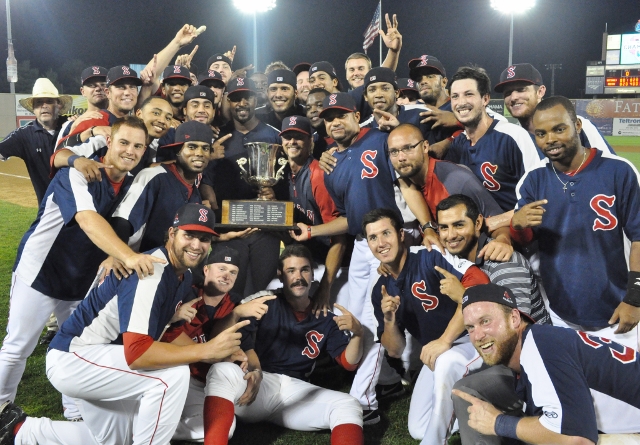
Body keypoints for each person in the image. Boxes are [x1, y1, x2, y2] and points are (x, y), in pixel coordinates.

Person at [0, 204, 250, 445]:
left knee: (115, 439)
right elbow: (138, 353)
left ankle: (19, 430)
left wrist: (207, 348)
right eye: (189, 235)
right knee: (171, 376)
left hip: (103, 359)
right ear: (172, 233)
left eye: (204, 239)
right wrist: (205, 350)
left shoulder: (181, 278)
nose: (196, 245)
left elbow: (158, 338)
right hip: (75, 357)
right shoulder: (152, 270)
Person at [0, 116, 163, 412]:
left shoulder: (130, 185)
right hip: (41, 271)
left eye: (138, 146)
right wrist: (128, 256)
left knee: (75, 348)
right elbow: (87, 220)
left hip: (81, 278)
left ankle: (74, 412)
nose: (130, 151)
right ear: (109, 142)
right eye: (124, 142)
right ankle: (1, 408)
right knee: (17, 347)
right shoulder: (77, 172)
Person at [293, 92, 402, 424]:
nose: (335, 121)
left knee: (373, 319)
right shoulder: (331, 164)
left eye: (341, 114)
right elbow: (346, 218)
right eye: (329, 117)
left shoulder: (382, 138)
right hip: (359, 242)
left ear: (357, 115)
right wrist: (312, 232)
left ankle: (364, 402)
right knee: (351, 315)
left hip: (388, 240)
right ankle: (388, 380)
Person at [203, 244, 365, 445]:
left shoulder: (325, 318)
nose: (298, 277)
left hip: (294, 392)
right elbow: (235, 337)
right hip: (258, 386)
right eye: (291, 271)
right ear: (280, 275)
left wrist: (358, 334)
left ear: (312, 275)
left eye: (304, 270)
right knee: (222, 371)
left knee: (348, 404)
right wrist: (255, 369)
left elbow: (349, 362)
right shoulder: (265, 300)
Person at [511, 96, 640, 348]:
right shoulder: (532, 180)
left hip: (618, 312)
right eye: (541, 133)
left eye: (559, 129)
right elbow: (526, 243)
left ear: (577, 126)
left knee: (624, 386)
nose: (550, 139)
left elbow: (639, 237)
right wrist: (517, 225)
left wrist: (635, 298)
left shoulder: (618, 171)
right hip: (561, 314)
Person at [452, 283, 640, 445]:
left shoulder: (539, 348)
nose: (477, 336)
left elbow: (578, 440)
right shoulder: (539, 340)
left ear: (514, 319)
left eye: (485, 321)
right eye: (470, 327)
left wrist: (498, 423)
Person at [365, 208, 490, 443]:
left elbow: (480, 286)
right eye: (373, 237)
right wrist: (390, 320)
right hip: (441, 350)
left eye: (386, 233)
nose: (380, 243)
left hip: (476, 339)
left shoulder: (430, 255)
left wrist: (444, 341)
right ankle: (480, 413)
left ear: (401, 234)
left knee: (445, 361)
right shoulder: (379, 289)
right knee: (418, 428)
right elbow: (394, 350)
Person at [162, 246, 276, 442]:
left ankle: (155, 426)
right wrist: (218, 354)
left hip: (203, 384)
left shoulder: (237, 305)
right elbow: (168, 336)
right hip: (174, 375)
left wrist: (257, 371)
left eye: (233, 272)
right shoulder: (185, 292)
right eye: (221, 268)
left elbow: (248, 349)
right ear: (206, 270)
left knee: (225, 428)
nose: (226, 275)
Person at [200, 77, 283, 297]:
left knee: (259, 292)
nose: (242, 103)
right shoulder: (218, 136)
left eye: (247, 97)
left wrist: (274, 194)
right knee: (228, 294)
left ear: (256, 99)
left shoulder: (274, 135)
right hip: (228, 229)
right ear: (228, 101)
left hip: (266, 229)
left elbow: (286, 179)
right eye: (236, 98)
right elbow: (206, 179)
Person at [387, 123, 513, 258]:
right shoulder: (404, 183)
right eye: (394, 152)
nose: (401, 158)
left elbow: (497, 222)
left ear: (425, 146)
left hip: (478, 260)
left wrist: (503, 240)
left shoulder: (457, 181)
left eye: (408, 148)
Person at [272, 116, 348, 313]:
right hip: (305, 259)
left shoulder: (318, 174)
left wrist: (325, 288)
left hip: (332, 263)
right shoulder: (281, 175)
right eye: (288, 137)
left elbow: (339, 238)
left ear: (311, 142)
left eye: (299, 137)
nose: (292, 142)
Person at [436, 194, 550, 324]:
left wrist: (464, 297)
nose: (451, 235)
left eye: (459, 225)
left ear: (478, 223)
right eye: (444, 227)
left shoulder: (503, 262)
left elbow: (513, 325)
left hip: (530, 339)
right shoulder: (451, 259)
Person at [444, 66, 543, 212]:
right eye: (455, 96)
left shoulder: (513, 137)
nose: (461, 102)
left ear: (485, 99)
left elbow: (540, 198)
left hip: (516, 231)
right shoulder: (458, 144)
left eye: (469, 94)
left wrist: (497, 223)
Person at [111, 120, 212, 253]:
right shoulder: (153, 176)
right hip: (136, 262)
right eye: (192, 147)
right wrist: (117, 256)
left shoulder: (195, 193)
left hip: (164, 266)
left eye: (205, 148)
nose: (199, 153)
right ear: (178, 150)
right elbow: (122, 221)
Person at [494, 63, 614, 153]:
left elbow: (612, 171)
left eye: (521, 90)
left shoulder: (578, 126)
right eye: (508, 93)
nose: (513, 97)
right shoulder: (514, 138)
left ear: (540, 91)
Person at [0, 78, 71, 205]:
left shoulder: (72, 126)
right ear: (33, 108)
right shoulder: (23, 135)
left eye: (49, 101)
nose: (44, 106)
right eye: (38, 103)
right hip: (48, 209)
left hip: (79, 205)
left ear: (58, 105)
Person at [305, 87, 334, 159]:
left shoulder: (346, 137)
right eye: (308, 108)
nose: (313, 110)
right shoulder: (314, 145)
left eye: (319, 105)